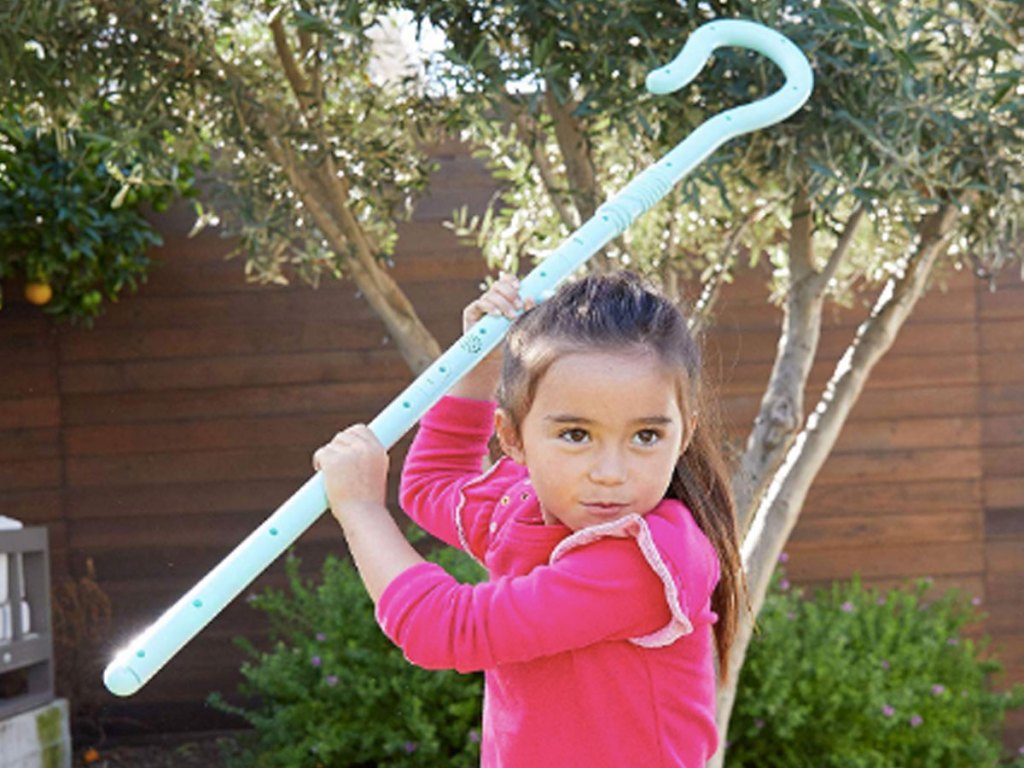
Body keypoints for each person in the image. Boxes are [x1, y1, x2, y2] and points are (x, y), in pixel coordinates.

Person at [314, 270, 745, 767]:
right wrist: (480, 363)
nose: (611, 473)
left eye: (646, 436)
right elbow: (432, 484)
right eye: (576, 434)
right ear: (513, 437)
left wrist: (361, 509)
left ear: (684, 433)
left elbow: (443, 628)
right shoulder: (519, 510)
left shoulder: (648, 561)